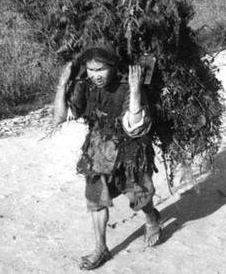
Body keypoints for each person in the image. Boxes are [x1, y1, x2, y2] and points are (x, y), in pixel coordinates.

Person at [52, 42, 160, 270]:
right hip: (98, 149)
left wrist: (136, 90)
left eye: (101, 69)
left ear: (114, 66)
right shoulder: (86, 85)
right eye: (91, 70)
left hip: (130, 149)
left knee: (138, 195)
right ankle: (101, 248)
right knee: (95, 199)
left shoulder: (129, 84)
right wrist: (63, 84)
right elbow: (60, 117)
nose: (95, 76)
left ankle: (152, 218)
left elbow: (134, 128)